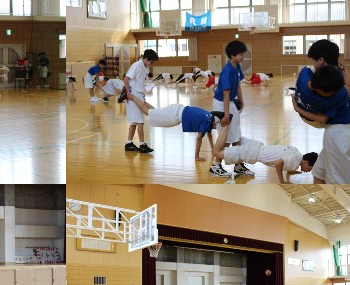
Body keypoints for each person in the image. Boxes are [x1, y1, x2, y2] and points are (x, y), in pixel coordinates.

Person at [291, 40, 350, 184]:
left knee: (339, 181)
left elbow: (323, 119)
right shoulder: (338, 85)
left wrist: (298, 109)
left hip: (339, 134)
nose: (313, 64)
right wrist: (343, 70)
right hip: (342, 131)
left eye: (314, 60)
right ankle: (319, 197)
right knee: (319, 172)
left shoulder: (305, 74)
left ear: (321, 60)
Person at [212, 120, 319, 183]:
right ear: (306, 162)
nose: (308, 171)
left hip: (257, 145)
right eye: (310, 169)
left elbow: (287, 162)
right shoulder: (295, 160)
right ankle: (223, 124)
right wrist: (282, 181)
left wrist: (292, 171)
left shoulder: (297, 153)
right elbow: (279, 163)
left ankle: (238, 167)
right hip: (252, 153)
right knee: (217, 153)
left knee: (234, 137)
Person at [210, 40, 254, 177]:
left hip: (230, 103)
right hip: (222, 104)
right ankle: (216, 165)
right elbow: (225, 94)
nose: (242, 57)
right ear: (232, 55)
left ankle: (238, 165)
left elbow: (239, 85)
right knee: (226, 137)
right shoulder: (227, 71)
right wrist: (226, 114)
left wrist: (241, 100)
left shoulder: (237, 67)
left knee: (236, 136)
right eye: (240, 54)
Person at [131, 97, 222, 162]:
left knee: (155, 112)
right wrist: (196, 157)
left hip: (177, 108)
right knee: (148, 113)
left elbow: (209, 134)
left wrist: (213, 149)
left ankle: (140, 99)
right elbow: (199, 138)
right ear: (215, 122)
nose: (216, 128)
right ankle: (132, 96)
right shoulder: (208, 121)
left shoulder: (209, 116)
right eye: (218, 126)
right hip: (174, 116)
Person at [122, 49, 159, 153]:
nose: (152, 64)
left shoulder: (145, 67)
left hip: (139, 94)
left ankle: (129, 143)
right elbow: (125, 78)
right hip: (133, 95)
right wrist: (128, 92)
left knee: (134, 122)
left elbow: (140, 82)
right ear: (146, 58)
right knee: (140, 122)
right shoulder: (137, 65)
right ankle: (142, 145)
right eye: (151, 62)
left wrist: (142, 95)